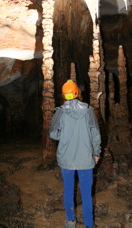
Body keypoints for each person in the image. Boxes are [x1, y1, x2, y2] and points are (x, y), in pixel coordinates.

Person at [49, 79, 101, 228]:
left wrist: (64, 136)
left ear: (64, 96)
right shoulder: (88, 111)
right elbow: (96, 135)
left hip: (66, 159)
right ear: (77, 93)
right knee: (86, 193)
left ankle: (71, 221)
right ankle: (89, 224)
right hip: (85, 159)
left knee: (68, 189)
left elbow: (53, 134)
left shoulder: (60, 113)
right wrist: (96, 153)